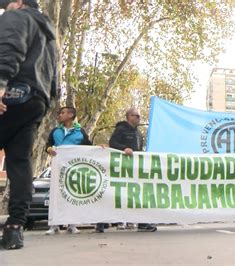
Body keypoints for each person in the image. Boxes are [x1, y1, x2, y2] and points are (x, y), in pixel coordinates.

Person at [0, 0, 57, 250]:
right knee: (20, 160)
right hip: (37, 99)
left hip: (13, 91)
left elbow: (10, 47)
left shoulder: (18, 17)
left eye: (6, 5)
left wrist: (0, 84)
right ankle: (14, 227)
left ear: (19, 2)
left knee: (19, 160)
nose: (4, 10)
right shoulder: (50, 36)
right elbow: (55, 75)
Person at [95, 108, 156, 233]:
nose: (139, 118)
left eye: (139, 116)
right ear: (129, 116)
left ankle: (142, 223)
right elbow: (113, 143)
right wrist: (124, 149)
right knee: (112, 194)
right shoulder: (121, 129)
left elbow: (138, 150)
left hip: (134, 168)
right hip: (119, 168)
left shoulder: (138, 133)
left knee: (138, 195)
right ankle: (100, 222)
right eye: (136, 116)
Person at [44, 107, 92, 235]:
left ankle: (72, 224)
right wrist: (49, 150)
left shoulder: (80, 132)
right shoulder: (55, 131)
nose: (59, 115)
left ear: (71, 115)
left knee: (72, 195)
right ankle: (54, 225)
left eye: (62, 113)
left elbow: (89, 148)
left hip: (74, 170)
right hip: (58, 168)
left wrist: (101, 148)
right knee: (55, 195)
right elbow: (47, 145)